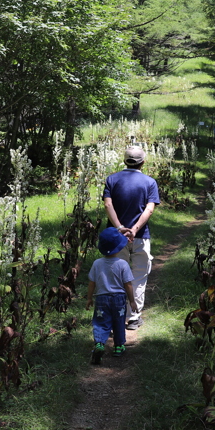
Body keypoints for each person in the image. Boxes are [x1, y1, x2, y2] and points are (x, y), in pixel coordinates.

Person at [103, 145, 160, 330]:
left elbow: (108, 205)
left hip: (115, 238)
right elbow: (149, 209)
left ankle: (115, 317)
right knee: (138, 276)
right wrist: (134, 230)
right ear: (143, 162)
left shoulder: (112, 179)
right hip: (140, 236)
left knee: (115, 276)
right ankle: (134, 318)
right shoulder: (150, 182)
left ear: (124, 160)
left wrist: (119, 228)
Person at [85, 227, 136, 363]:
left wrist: (89, 298)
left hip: (102, 298)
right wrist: (132, 301)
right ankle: (118, 347)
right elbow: (128, 284)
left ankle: (100, 343)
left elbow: (92, 283)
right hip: (119, 299)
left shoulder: (97, 263)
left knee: (101, 322)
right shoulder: (123, 264)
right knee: (119, 321)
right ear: (119, 248)